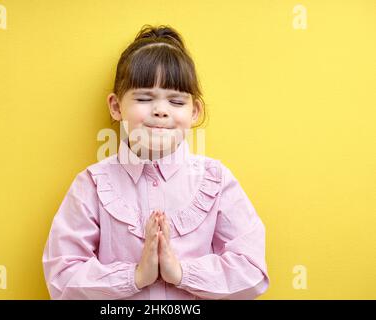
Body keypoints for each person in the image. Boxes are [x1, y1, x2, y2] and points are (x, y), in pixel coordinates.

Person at [42, 24, 269, 300]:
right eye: (144, 98)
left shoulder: (216, 179)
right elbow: (62, 277)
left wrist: (181, 273)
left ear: (194, 111)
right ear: (116, 106)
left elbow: (252, 271)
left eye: (176, 101)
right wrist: (136, 276)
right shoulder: (92, 183)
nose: (161, 111)